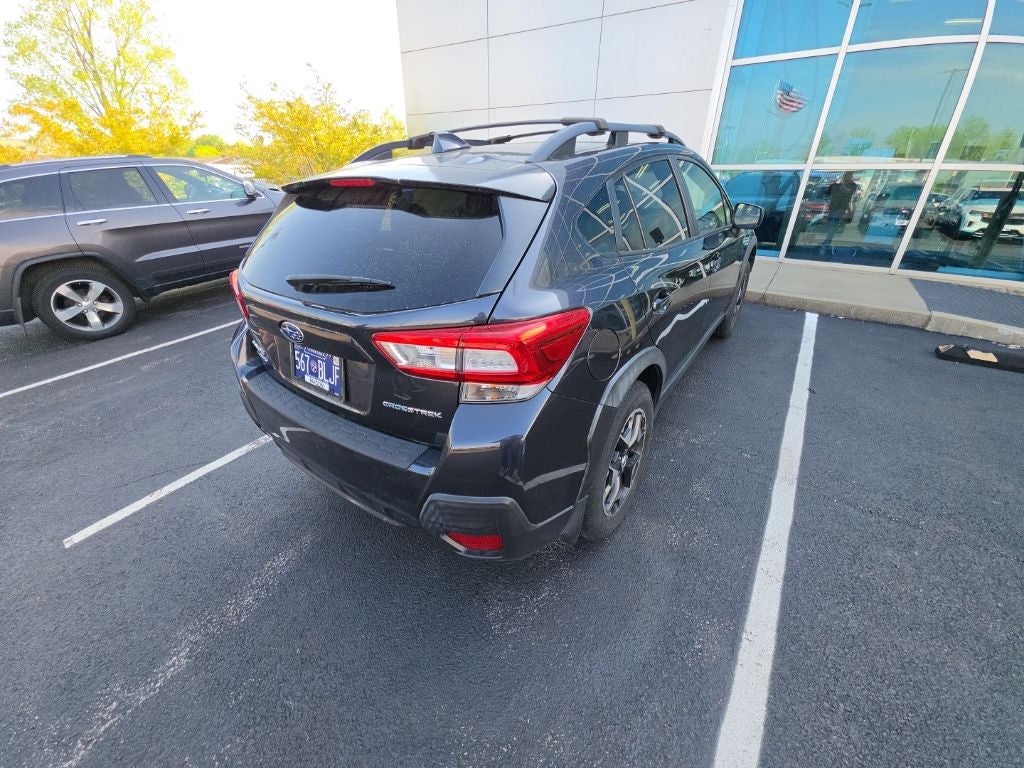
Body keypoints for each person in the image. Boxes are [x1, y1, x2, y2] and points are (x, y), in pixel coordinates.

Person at [820, 171, 857, 251]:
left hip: (841, 208)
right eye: (845, 176)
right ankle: (828, 240)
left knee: (833, 224)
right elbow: (827, 193)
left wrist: (839, 183)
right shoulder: (836, 185)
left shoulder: (852, 185)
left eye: (849, 176)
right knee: (831, 224)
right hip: (833, 207)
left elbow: (849, 191)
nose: (847, 178)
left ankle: (828, 240)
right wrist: (832, 184)